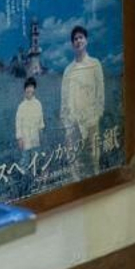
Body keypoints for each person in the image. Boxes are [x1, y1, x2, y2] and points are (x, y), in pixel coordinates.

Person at [59, 26, 105, 174]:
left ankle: (96, 174)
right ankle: (75, 178)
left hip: (91, 115)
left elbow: (100, 90)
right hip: (73, 118)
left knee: (94, 149)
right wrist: (66, 118)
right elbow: (64, 96)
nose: (78, 41)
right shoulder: (68, 70)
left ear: (86, 40)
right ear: (72, 44)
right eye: (75, 39)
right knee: (73, 151)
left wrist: (98, 112)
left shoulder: (95, 64)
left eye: (81, 37)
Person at [15, 77, 44, 153]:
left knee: (36, 159)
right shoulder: (21, 106)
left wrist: (41, 132)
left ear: (34, 89)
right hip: (25, 139)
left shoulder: (38, 104)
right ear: (25, 89)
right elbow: (18, 123)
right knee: (25, 160)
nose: (29, 90)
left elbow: (41, 120)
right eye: (27, 87)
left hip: (35, 138)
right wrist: (19, 138)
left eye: (31, 87)